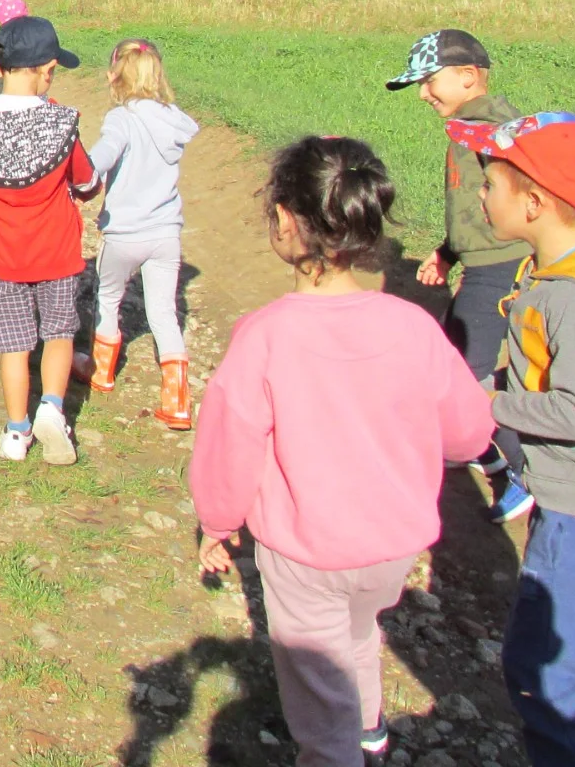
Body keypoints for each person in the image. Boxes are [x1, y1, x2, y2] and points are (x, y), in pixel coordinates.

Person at [192, 135, 495, 767]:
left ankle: (342, 748)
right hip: (392, 547)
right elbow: (469, 435)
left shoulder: (267, 335)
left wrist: (218, 524)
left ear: (283, 222)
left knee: (319, 709)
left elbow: (230, 445)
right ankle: (371, 731)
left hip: (305, 555)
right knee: (359, 632)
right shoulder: (414, 327)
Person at [445, 111, 575, 767]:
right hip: (573, 499)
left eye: (490, 185)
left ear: (535, 202)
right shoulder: (556, 267)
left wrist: (491, 403)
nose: (479, 196)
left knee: (545, 678)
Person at [385, 28, 535, 523]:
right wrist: (449, 251)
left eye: (429, 82)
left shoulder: (495, 128)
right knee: (450, 365)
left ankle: (516, 471)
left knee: (467, 378)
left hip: (501, 267)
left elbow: (530, 189)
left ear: (469, 77)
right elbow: (474, 206)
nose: (424, 94)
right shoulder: (467, 127)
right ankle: (471, 446)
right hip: (480, 263)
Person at [0, 16, 98, 464]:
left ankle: (16, 432)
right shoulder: (60, 123)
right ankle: (52, 408)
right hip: (57, 250)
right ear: (48, 70)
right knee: (58, 334)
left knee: (13, 345)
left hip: (2, 254)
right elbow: (86, 181)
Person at [81, 39, 200, 428]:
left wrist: (85, 176)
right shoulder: (172, 119)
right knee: (164, 312)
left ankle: (102, 373)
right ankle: (178, 400)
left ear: (116, 76)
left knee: (109, 297)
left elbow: (104, 156)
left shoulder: (122, 118)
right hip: (166, 232)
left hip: (125, 231)